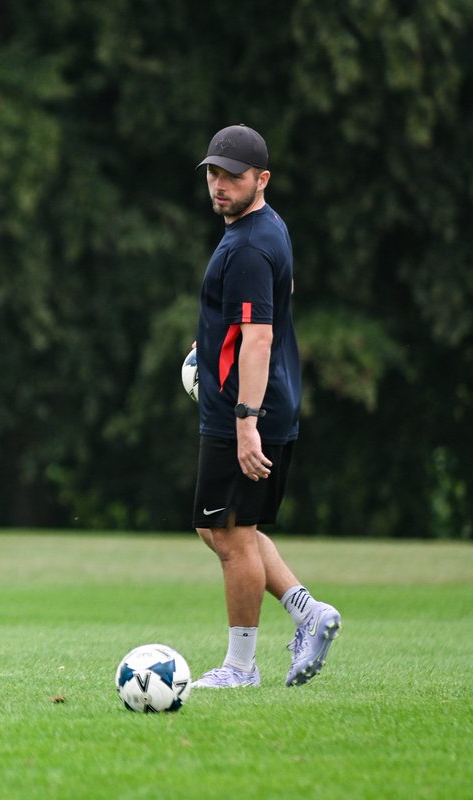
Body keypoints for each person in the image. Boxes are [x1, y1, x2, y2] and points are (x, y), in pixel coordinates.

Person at [188, 125, 341, 689]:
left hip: (247, 411)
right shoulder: (266, 227)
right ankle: (307, 611)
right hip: (255, 403)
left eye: (233, 175)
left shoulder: (250, 245)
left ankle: (240, 667)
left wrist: (246, 422)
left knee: (229, 534)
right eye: (213, 172)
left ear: (262, 179)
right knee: (222, 528)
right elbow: (249, 321)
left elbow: (257, 338)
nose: (220, 184)